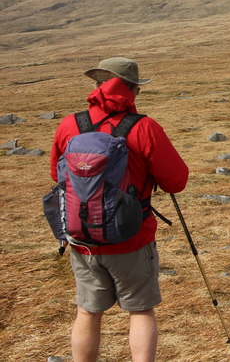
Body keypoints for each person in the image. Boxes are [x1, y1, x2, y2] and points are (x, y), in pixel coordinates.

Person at [50, 57, 189, 362]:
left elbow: (56, 176)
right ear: (132, 89)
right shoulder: (144, 127)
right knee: (141, 311)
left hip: (82, 237)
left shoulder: (69, 125)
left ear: (97, 86)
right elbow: (177, 181)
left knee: (87, 312)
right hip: (132, 237)